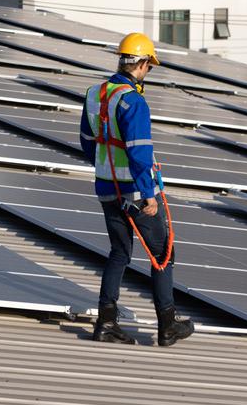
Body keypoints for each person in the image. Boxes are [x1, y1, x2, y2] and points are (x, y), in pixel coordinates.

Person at [80, 32, 193, 347]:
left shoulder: (94, 94)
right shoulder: (134, 101)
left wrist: (106, 171)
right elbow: (140, 151)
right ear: (141, 64)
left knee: (119, 253)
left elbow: (88, 143)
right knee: (163, 255)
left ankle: (105, 322)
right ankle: (167, 324)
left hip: (105, 187)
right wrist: (148, 195)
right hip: (134, 191)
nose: (149, 72)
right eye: (149, 67)